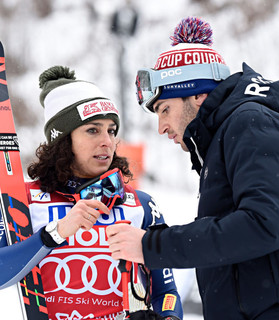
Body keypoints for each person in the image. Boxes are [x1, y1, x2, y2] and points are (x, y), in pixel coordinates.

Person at [106, 16, 279, 320]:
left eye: (165, 109)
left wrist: (151, 246)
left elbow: (262, 225)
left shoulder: (251, 124)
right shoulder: (226, 139)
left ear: (198, 94)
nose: (161, 126)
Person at [0, 66, 183, 320]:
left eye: (111, 130)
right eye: (93, 130)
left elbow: (166, 291)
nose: (107, 141)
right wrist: (55, 234)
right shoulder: (23, 202)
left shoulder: (139, 205)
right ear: (64, 140)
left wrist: (169, 318)